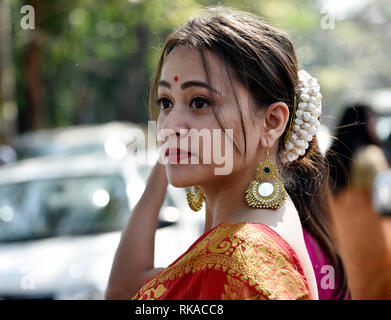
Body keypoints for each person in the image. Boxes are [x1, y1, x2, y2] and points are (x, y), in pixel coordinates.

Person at [106, 6, 347, 300]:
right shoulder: (251, 232)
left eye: (199, 102)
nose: (169, 126)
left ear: (271, 122)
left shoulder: (238, 261)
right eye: (166, 102)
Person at [326, 104, 391, 299]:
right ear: (363, 124)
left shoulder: (331, 157)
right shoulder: (371, 156)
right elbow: (384, 198)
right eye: (373, 121)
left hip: (342, 233)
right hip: (373, 232)